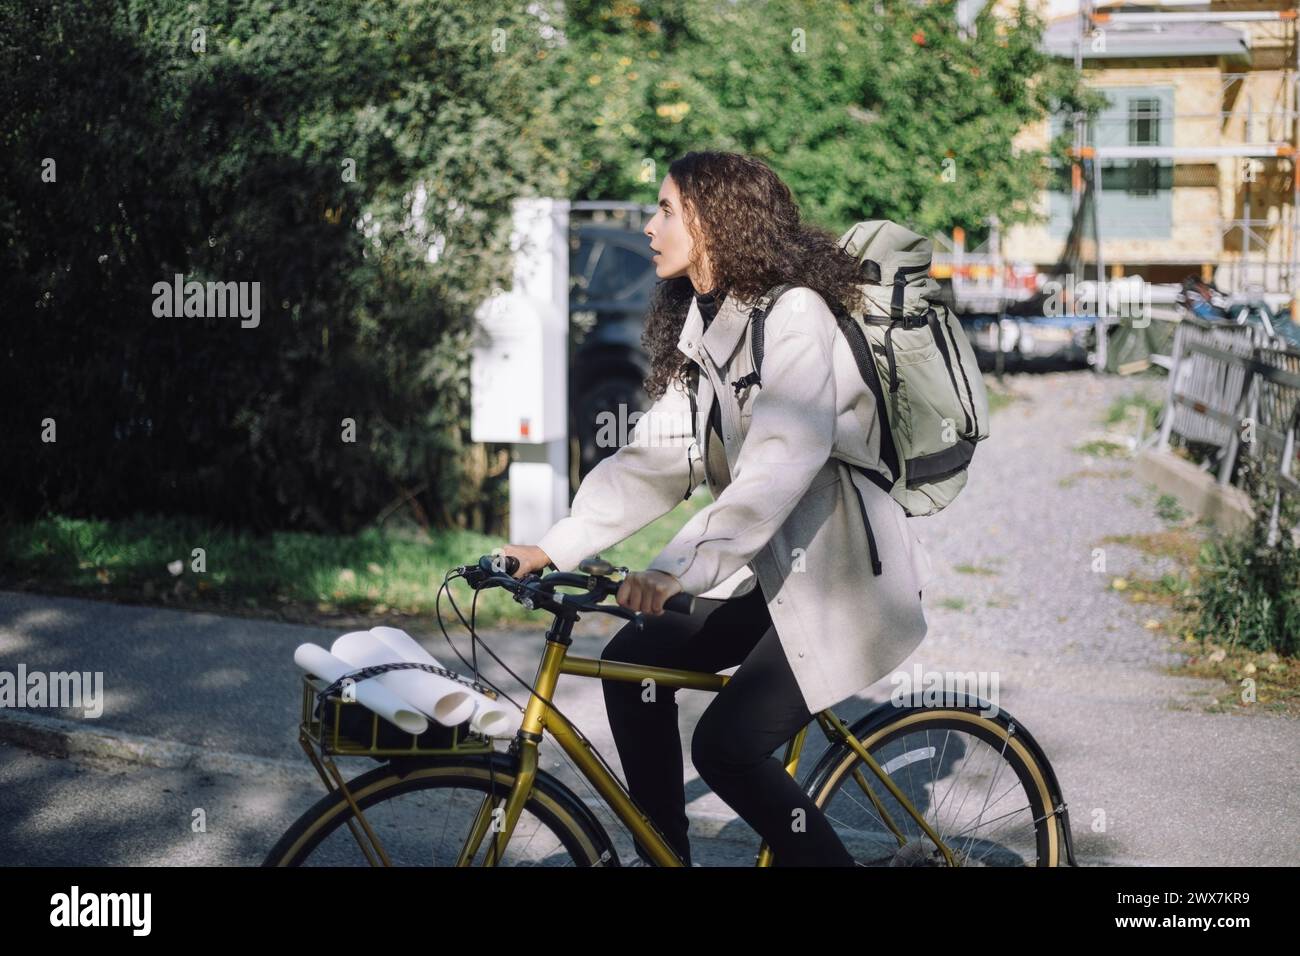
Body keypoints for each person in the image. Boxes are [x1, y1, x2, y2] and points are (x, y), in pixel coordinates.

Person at [501, 150, 932, 867]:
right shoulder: (709, 328)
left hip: (841, 580)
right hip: (773, 576)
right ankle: (663, 855)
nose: (649, 225)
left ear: (717, 221)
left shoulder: (795, 316)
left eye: (666, 209)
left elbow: (778, 466)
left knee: (726, 748)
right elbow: (653, 461)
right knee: (636, 661)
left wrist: (674, 572)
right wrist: (554, 547)